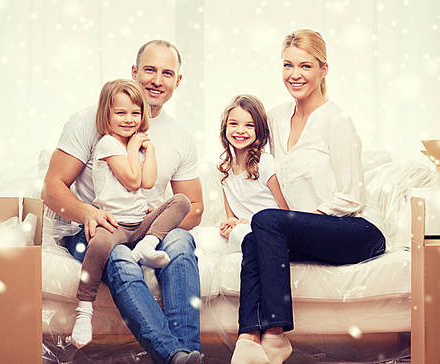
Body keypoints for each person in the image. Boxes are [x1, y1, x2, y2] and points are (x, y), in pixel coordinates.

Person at [42, 40, 204, 364]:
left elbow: (195, 207)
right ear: (134, 72)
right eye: (150, 70)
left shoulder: (180, 136)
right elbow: (52, 187)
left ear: (178, 81)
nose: (157, 80)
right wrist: (88, 212)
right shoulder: (91, 120)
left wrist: (156, 220)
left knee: (182, 241)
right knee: (118, 255)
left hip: (143, 227)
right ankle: (172, 356)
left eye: (167, 73)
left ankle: (187, 352)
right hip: (95, 229)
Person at [231, 29, 387, 364]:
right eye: (288, 65)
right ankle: (248, 338)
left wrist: (296, 224)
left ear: (323, 69)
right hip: (303, 228)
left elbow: (351, 197)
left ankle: (275, 335)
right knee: (253, 237)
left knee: (266, 222)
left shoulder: (337, 120)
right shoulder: (275, 118)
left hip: (356, 229)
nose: (295, 75)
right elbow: (252, 162)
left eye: (305, 66)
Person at [71, 79, 191, 349]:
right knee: (99, 244)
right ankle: (84, 310)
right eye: (120, 113)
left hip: (139, 224)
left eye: (135, 113)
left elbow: (148, 183)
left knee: (181, 201)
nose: (129, 120)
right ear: (107, 115)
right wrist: (134, 148)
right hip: (114, 226)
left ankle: (147, 246)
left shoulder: (134, 144)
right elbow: (132, 181)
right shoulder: (108, 145)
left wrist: (151, 150)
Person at [216, 94, 288, 251]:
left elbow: (285, 212)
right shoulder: (224, 171)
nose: (240, 131)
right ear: (225, 127)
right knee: (204, 239)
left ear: (259, 130)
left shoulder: (265, 164)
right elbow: (232, 217)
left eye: (249, 125)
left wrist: (252, 224)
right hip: (243, 231)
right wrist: (229, 225)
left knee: (244, 235)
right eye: (234, 123)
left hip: (269, 230)